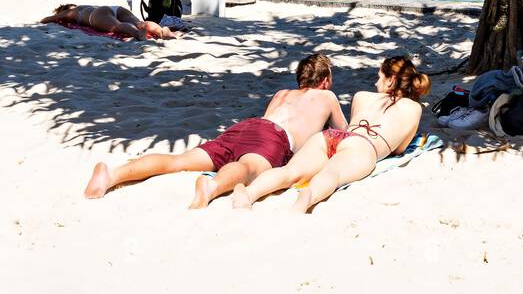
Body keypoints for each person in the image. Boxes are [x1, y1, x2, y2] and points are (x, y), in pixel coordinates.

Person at [84, 53, 347, 207]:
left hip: (250, 127)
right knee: (248, 168)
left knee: (181, 160)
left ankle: (112, 175)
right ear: (325, 81)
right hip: (274, 136)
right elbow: (344, 133)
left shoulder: (282, 93)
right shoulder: (327, 97)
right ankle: (211, 188)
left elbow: (265, 123)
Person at [233, 55, 429, 214]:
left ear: (391, 80)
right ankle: (306, 199)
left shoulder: (362, 96)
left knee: (290, 172)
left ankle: (249, 193)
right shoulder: (414, 109)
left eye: (379, 77)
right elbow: (400, 149)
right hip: (363, 146)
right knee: (331, 173)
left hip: (333, 136)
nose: (376, 82)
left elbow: (349, 130)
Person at [41, 3, 179, 41]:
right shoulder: (83, 6)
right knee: (140, 22)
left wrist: (42, 20)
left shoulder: (71, 12)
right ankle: (162, 31)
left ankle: (137, 34)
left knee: (117, 27)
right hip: (114, 8)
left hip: (96, 15)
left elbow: (49, 19)